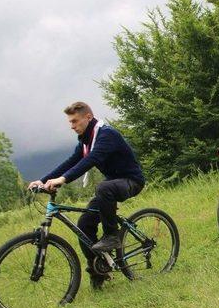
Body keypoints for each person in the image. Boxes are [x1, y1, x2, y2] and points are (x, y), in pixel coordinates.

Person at [28, 102, 145, 289]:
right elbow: (71, 162)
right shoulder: (85, 141)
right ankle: (99, 269)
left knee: (103, 187)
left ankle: (111, 236)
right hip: (111, 185)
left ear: (88, 117)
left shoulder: (107, 135)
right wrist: (43, 181)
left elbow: (92, 160)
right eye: (70, 122)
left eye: (75, 121)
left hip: (131, 181)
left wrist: (63, 180)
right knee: (84, 225)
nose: (72, 126)